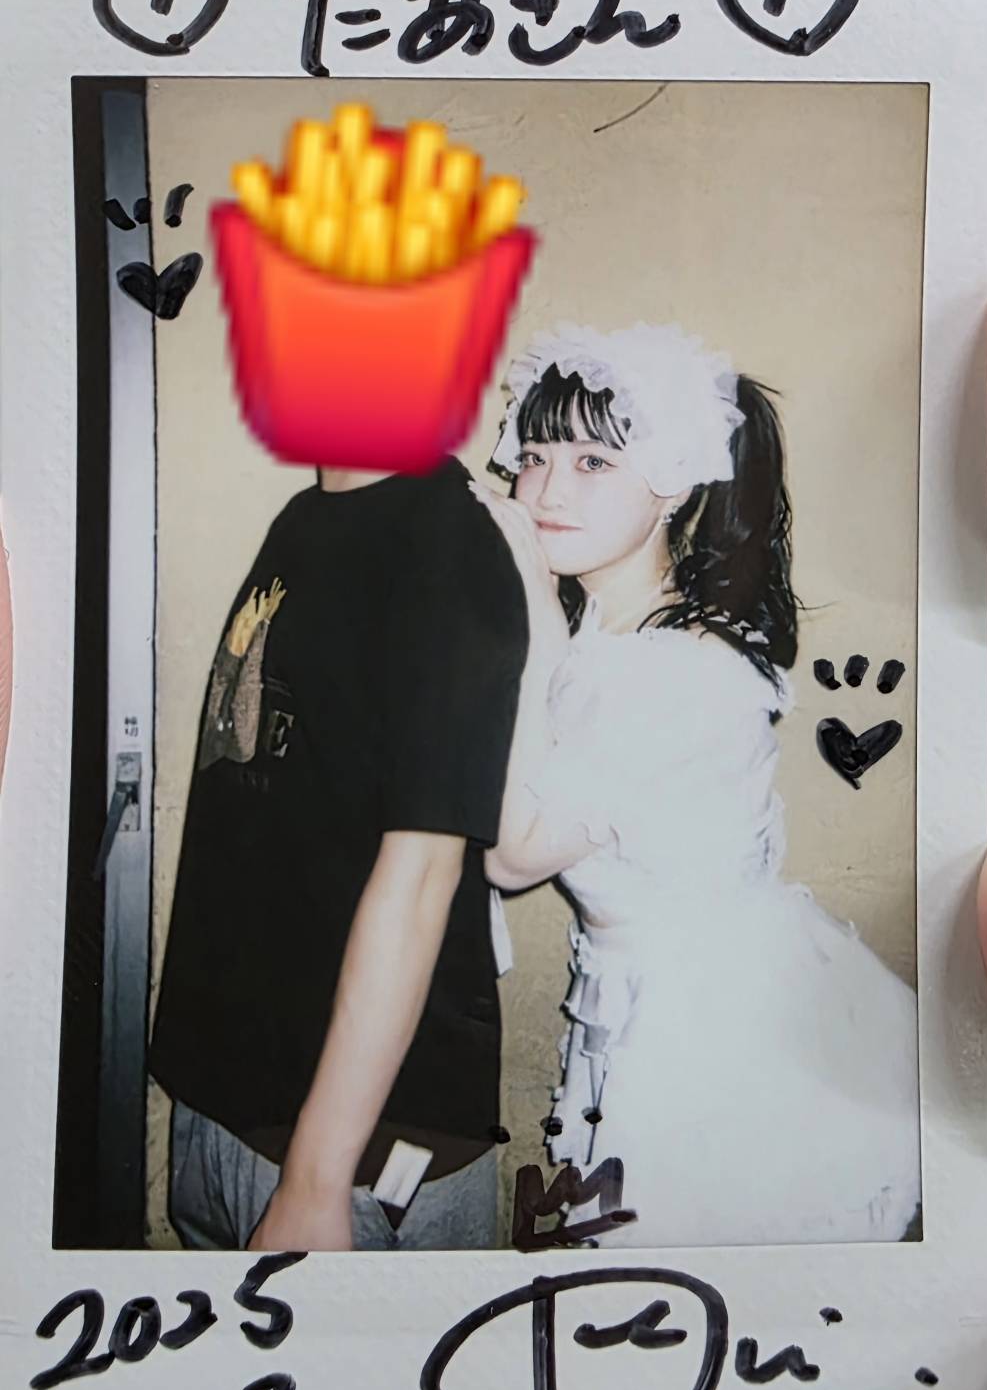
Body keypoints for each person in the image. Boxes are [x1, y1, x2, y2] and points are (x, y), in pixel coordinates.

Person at [473, 321, 921, 1247]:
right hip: (644, 996)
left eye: (594, 461)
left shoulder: (679, 667)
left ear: (672, 481)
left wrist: (534, 620)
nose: (547, 489)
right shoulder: (609, 635)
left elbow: (512, 856)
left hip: (714, 1028)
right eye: (536, 456)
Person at [149, 455, 528, 1251]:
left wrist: (316, 1178)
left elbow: (423, 875)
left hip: (355, 1161)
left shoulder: (446, 537)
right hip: (229, 1114)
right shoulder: (306, 517)